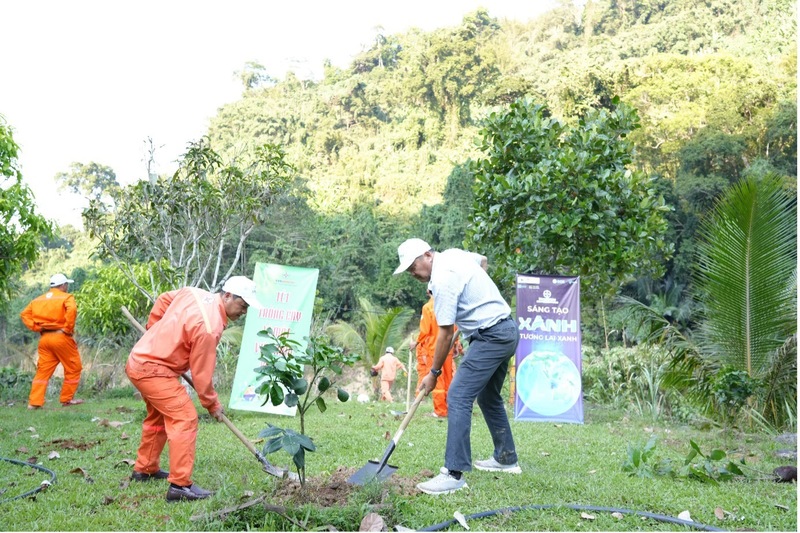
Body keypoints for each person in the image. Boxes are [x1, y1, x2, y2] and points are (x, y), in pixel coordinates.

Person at [394, 238, 521, 495]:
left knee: (458, 395)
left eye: (413, 266)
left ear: (427, 255)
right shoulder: (454, 255)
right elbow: (482, 261)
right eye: (408, 270)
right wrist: (475, 299)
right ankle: (506, 458)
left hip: (492, 336)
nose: (412, 273)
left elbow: (443, 334)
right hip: (506, 330)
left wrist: (433, 373)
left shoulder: (442, 280)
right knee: (488, 396)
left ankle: (453, 474)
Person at [125, 276, 261, 502]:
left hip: (143, 362)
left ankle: (145, 469)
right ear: (227, 296)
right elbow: (202, 376)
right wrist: (212, 405)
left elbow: (163, 300)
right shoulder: (210, 327)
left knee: (158, 417)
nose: (244, 312)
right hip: (153, 370)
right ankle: (180, 486)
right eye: (243, 305)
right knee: (185, 418)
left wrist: (154, 328)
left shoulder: (194, 293)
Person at [21, 273, 84, 409]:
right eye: (66, 284)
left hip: (45, 339)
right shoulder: (67, 297)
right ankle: (66, 399)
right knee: (74, 367)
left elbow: (24, 314)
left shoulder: (38, 300)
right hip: (61, 337)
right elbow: (72, 309)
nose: (67, 287)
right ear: (62, 285)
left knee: (43, 371)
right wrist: (67, 329)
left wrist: (36, 327)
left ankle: (34, 402)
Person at [410, 290, 462, 418]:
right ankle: (451, 409)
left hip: (434, 349)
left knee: (437, 380)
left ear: (428, 292)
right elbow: (455, 328)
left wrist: (416, 343)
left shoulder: (428, 307)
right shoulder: (449, 305)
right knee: (449, 379)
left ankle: (440, 411)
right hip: (448, 348)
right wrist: (456, 345)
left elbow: (425, 330)